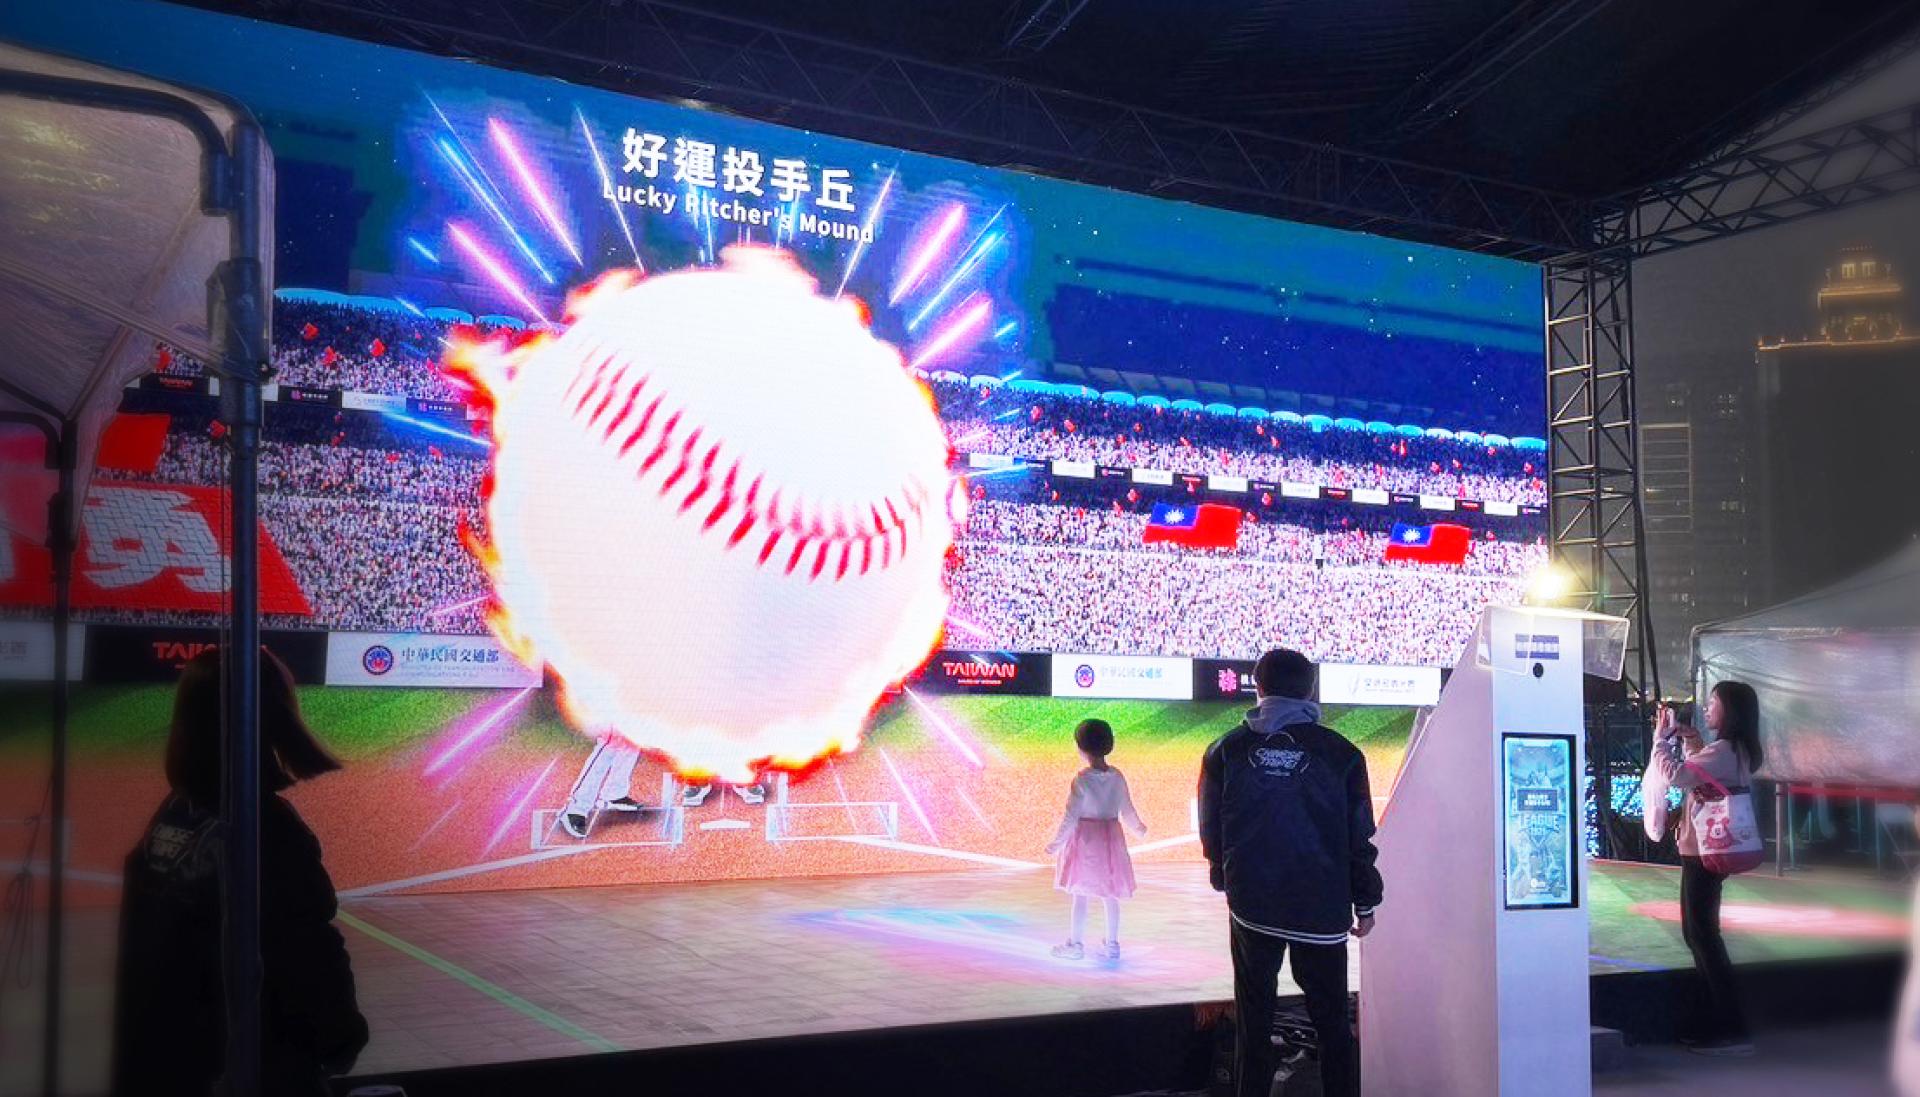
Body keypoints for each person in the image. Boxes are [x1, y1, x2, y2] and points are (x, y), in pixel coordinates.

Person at [112, 648, 368, 1097]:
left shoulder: (173, 815)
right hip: (248, 1066)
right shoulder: (265, 827)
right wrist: (341, 1037)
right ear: (272, 717)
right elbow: (305, 954)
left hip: (176, 1063)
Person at [1200, 648, 1380, 1097]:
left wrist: (1223, 876)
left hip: (1252, 907)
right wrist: (1366, 901)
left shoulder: (1225, 749)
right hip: (1321, 910)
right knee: (1332, 1022)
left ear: (1257, 687)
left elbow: (1211, 826)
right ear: (1311, 689)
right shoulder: (1343, 754)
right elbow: (1359, 835)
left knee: (1254, 1020)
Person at [1651, 679, 1763, 1057]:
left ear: (1730, 711)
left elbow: (1677, 776)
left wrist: (1660, 741)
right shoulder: (1735, 750)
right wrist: (1692, 740)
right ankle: (1716, 1022)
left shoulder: (1724, 750)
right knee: (1699, 934)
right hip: (1708, 850)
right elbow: (1704, 772)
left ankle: (1731, 1028)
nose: (1707, 708)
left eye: (1713, 702)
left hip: (1703, 852)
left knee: (1703, 937)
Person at [1045, 718, 1148, 960]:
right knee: (1110, 894)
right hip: (1111, 840)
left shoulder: (1082, 779)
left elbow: (1070, 817)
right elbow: (1127, 809)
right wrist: (1139, 829)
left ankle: (1076, 944)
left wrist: (1056, 844)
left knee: (1080, 894)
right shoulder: (1117, 776)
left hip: (1085, 842)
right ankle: (1112, 944)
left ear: (1081, 748)